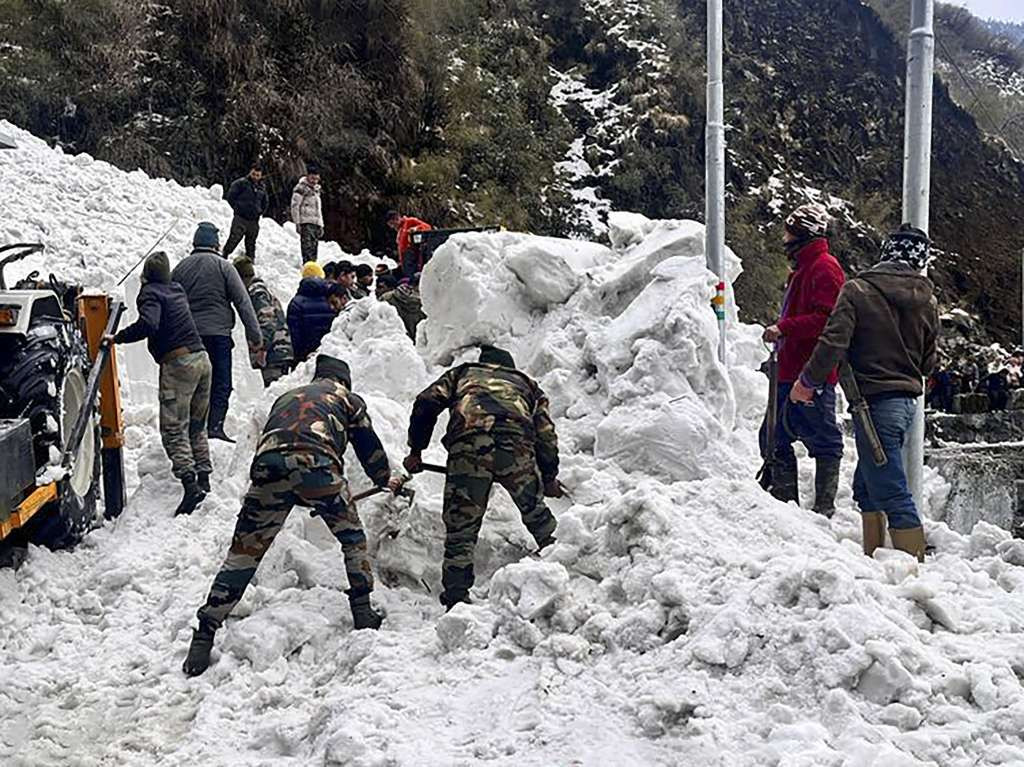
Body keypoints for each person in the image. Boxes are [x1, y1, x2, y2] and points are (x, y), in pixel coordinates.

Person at [183, 355, 402, 676]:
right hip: (318, 464)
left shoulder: (286, 397)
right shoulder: (346, 398)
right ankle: (362, 611)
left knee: (243, 554)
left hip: (267, 467)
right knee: (352, 538)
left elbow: (280, 442)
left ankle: (204, 632)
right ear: (344, 381)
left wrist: (293, 489)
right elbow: (369, 447)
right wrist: (385, 480)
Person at [791, 224, 939, 562]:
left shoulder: (857, 290)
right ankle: (874, 559)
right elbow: (929, 363)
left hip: (873, 403)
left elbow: (832, 342)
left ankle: (913, 569)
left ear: (886, 253)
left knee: (889, 487)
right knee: (866, 486)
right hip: (905, 405)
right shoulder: (927, 301)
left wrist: (806, 383)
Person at [403, 346, 561, 609]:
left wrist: (416, 450)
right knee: (535, 511)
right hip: (516, 445)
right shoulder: (527, 384)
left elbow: (426, 402)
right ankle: (561, 566)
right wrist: (549, 477)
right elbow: (545, 432)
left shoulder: (463, 373)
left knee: (461, 527)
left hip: (469, 445)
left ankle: (456, 599)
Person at [109, 252, 212, 515]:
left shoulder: (150, 293)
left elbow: (149, 324)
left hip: (179, 364)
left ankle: (191, 487)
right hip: (202, 360)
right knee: (197, 424)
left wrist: (116, 338)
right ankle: (204, 478)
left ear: (146, 274)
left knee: (174, 428)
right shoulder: (176, 289)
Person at [761, 203, 845, 516]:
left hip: (811, 373)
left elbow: (828, 321)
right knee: (772, 437)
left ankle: (824, 509)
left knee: (824, 441)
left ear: (801, 235)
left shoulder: (824, 268)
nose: (783, 239)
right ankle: (787, 507)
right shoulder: (805, 268)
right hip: (790, 370)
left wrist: (784, 328)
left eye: (788, 232)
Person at [172, 222, 263, 443]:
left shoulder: (180, 268)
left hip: (189, 337)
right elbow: (242, 302)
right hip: (219, 336)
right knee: (221, 381)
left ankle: (193, 427)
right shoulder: (224, 267)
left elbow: (170, 303)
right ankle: (214, 427)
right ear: (215, 243)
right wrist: (255, 336)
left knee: (192, 382)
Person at [233, 258, 294, 387]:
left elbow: (268, 320)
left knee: (274, 393)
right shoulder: (260, 290)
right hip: (278, 350)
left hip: (274, 352)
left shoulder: (256, 292)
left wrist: (262, 346)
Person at [288, 261, 342, 362]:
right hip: (328, 352)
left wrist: (297, 357)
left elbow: (294, 334)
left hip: (304, 355)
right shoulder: (330, 299)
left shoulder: (296, 303)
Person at [223, 162, 269, 261]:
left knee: (251, 243)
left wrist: (260, 212)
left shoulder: (262, 187)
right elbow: (231, 196)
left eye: (258, 175)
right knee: (234, 238)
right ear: (250, 172)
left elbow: (265, 202)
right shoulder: (241, 183)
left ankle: (250, 261)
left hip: (254, 220)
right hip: (240, 217)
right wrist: (238, 208)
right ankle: (224, 255)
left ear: (261, 175)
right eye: (253, 174)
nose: (255, 177)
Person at [386, 210, 432, 282]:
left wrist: (416, 228)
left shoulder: (410, 221)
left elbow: (427, 227)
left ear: (397, 219)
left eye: (393, 224)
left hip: (412, 255)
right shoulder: (399, 230)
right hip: (405, 258)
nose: (392, 226)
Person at [291, 164, 323, 264]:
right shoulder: (301, 188)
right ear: (308, 176)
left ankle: (313, 267)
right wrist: (297, 222)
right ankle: (307, 267)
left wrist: (321, 224)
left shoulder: (317, 190)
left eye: (316, 179)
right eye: (312, 178)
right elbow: (295, 206)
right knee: (307, 248)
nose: (314, 181)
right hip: (305, 222)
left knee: (314, 249)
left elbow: (318, 209)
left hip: (315, 222)